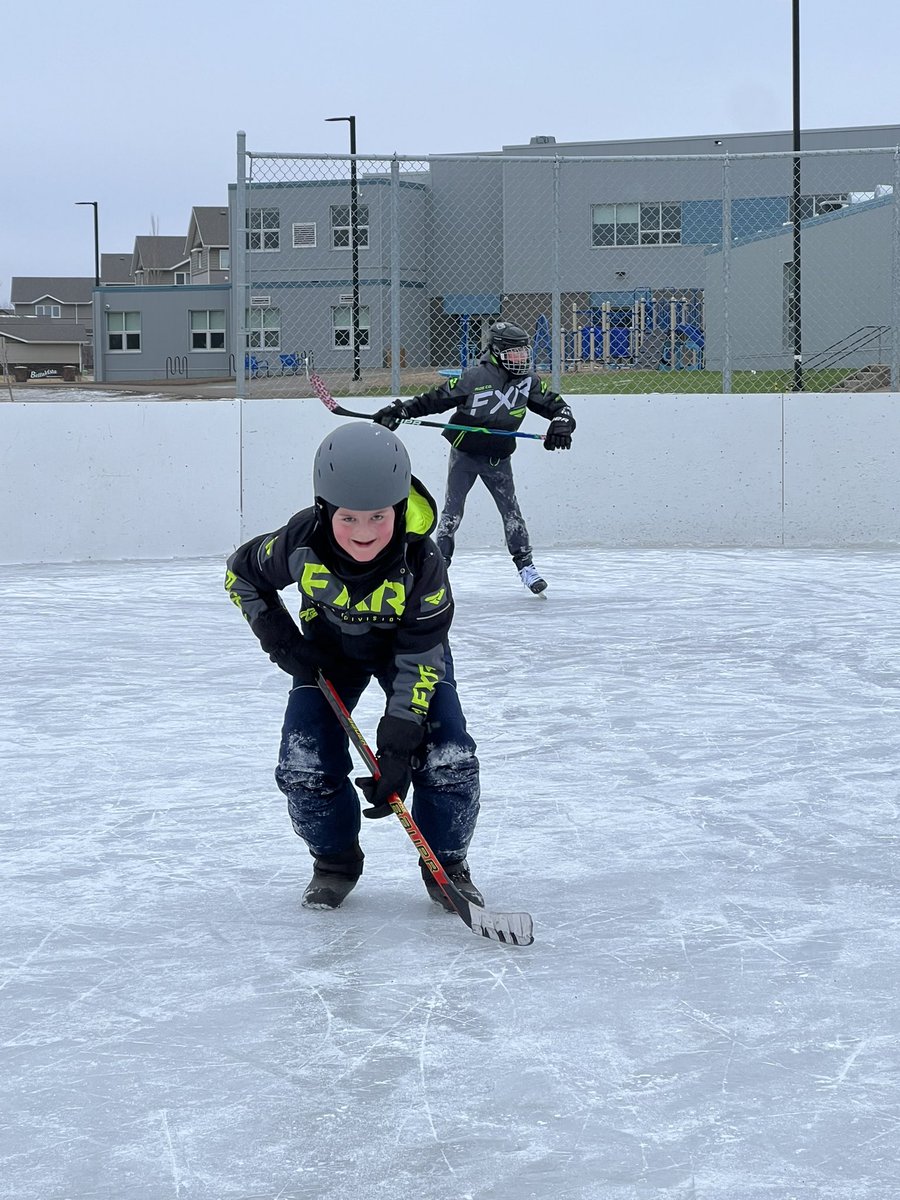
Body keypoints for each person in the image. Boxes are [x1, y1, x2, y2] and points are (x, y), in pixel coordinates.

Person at [225, 421, 483, 912]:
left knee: (448, 756)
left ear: (400, 508)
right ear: (325, 509)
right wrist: (284, 643)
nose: (363, 533)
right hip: (328, 655)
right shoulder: (298, 542)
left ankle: (446, 865)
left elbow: (422, 652)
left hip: (406, 657)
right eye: (347, 518)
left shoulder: (422, 563)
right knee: (304, 764)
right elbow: (242, 574)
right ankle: (335, 862)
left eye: (378, 517)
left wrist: (400, 740)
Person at [373, 321, 575, 594]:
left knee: (512, 513)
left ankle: (526, 566)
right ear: (494, 352)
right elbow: (433, 400)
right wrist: (401, 411)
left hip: (498, 458)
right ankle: (438, 567)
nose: (520, 360)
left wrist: (561, 424)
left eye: (523, 353)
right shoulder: (473, 378)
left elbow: (558, 407)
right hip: (465, 455)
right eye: (513, 354)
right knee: (452, 513)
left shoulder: (529, 383)